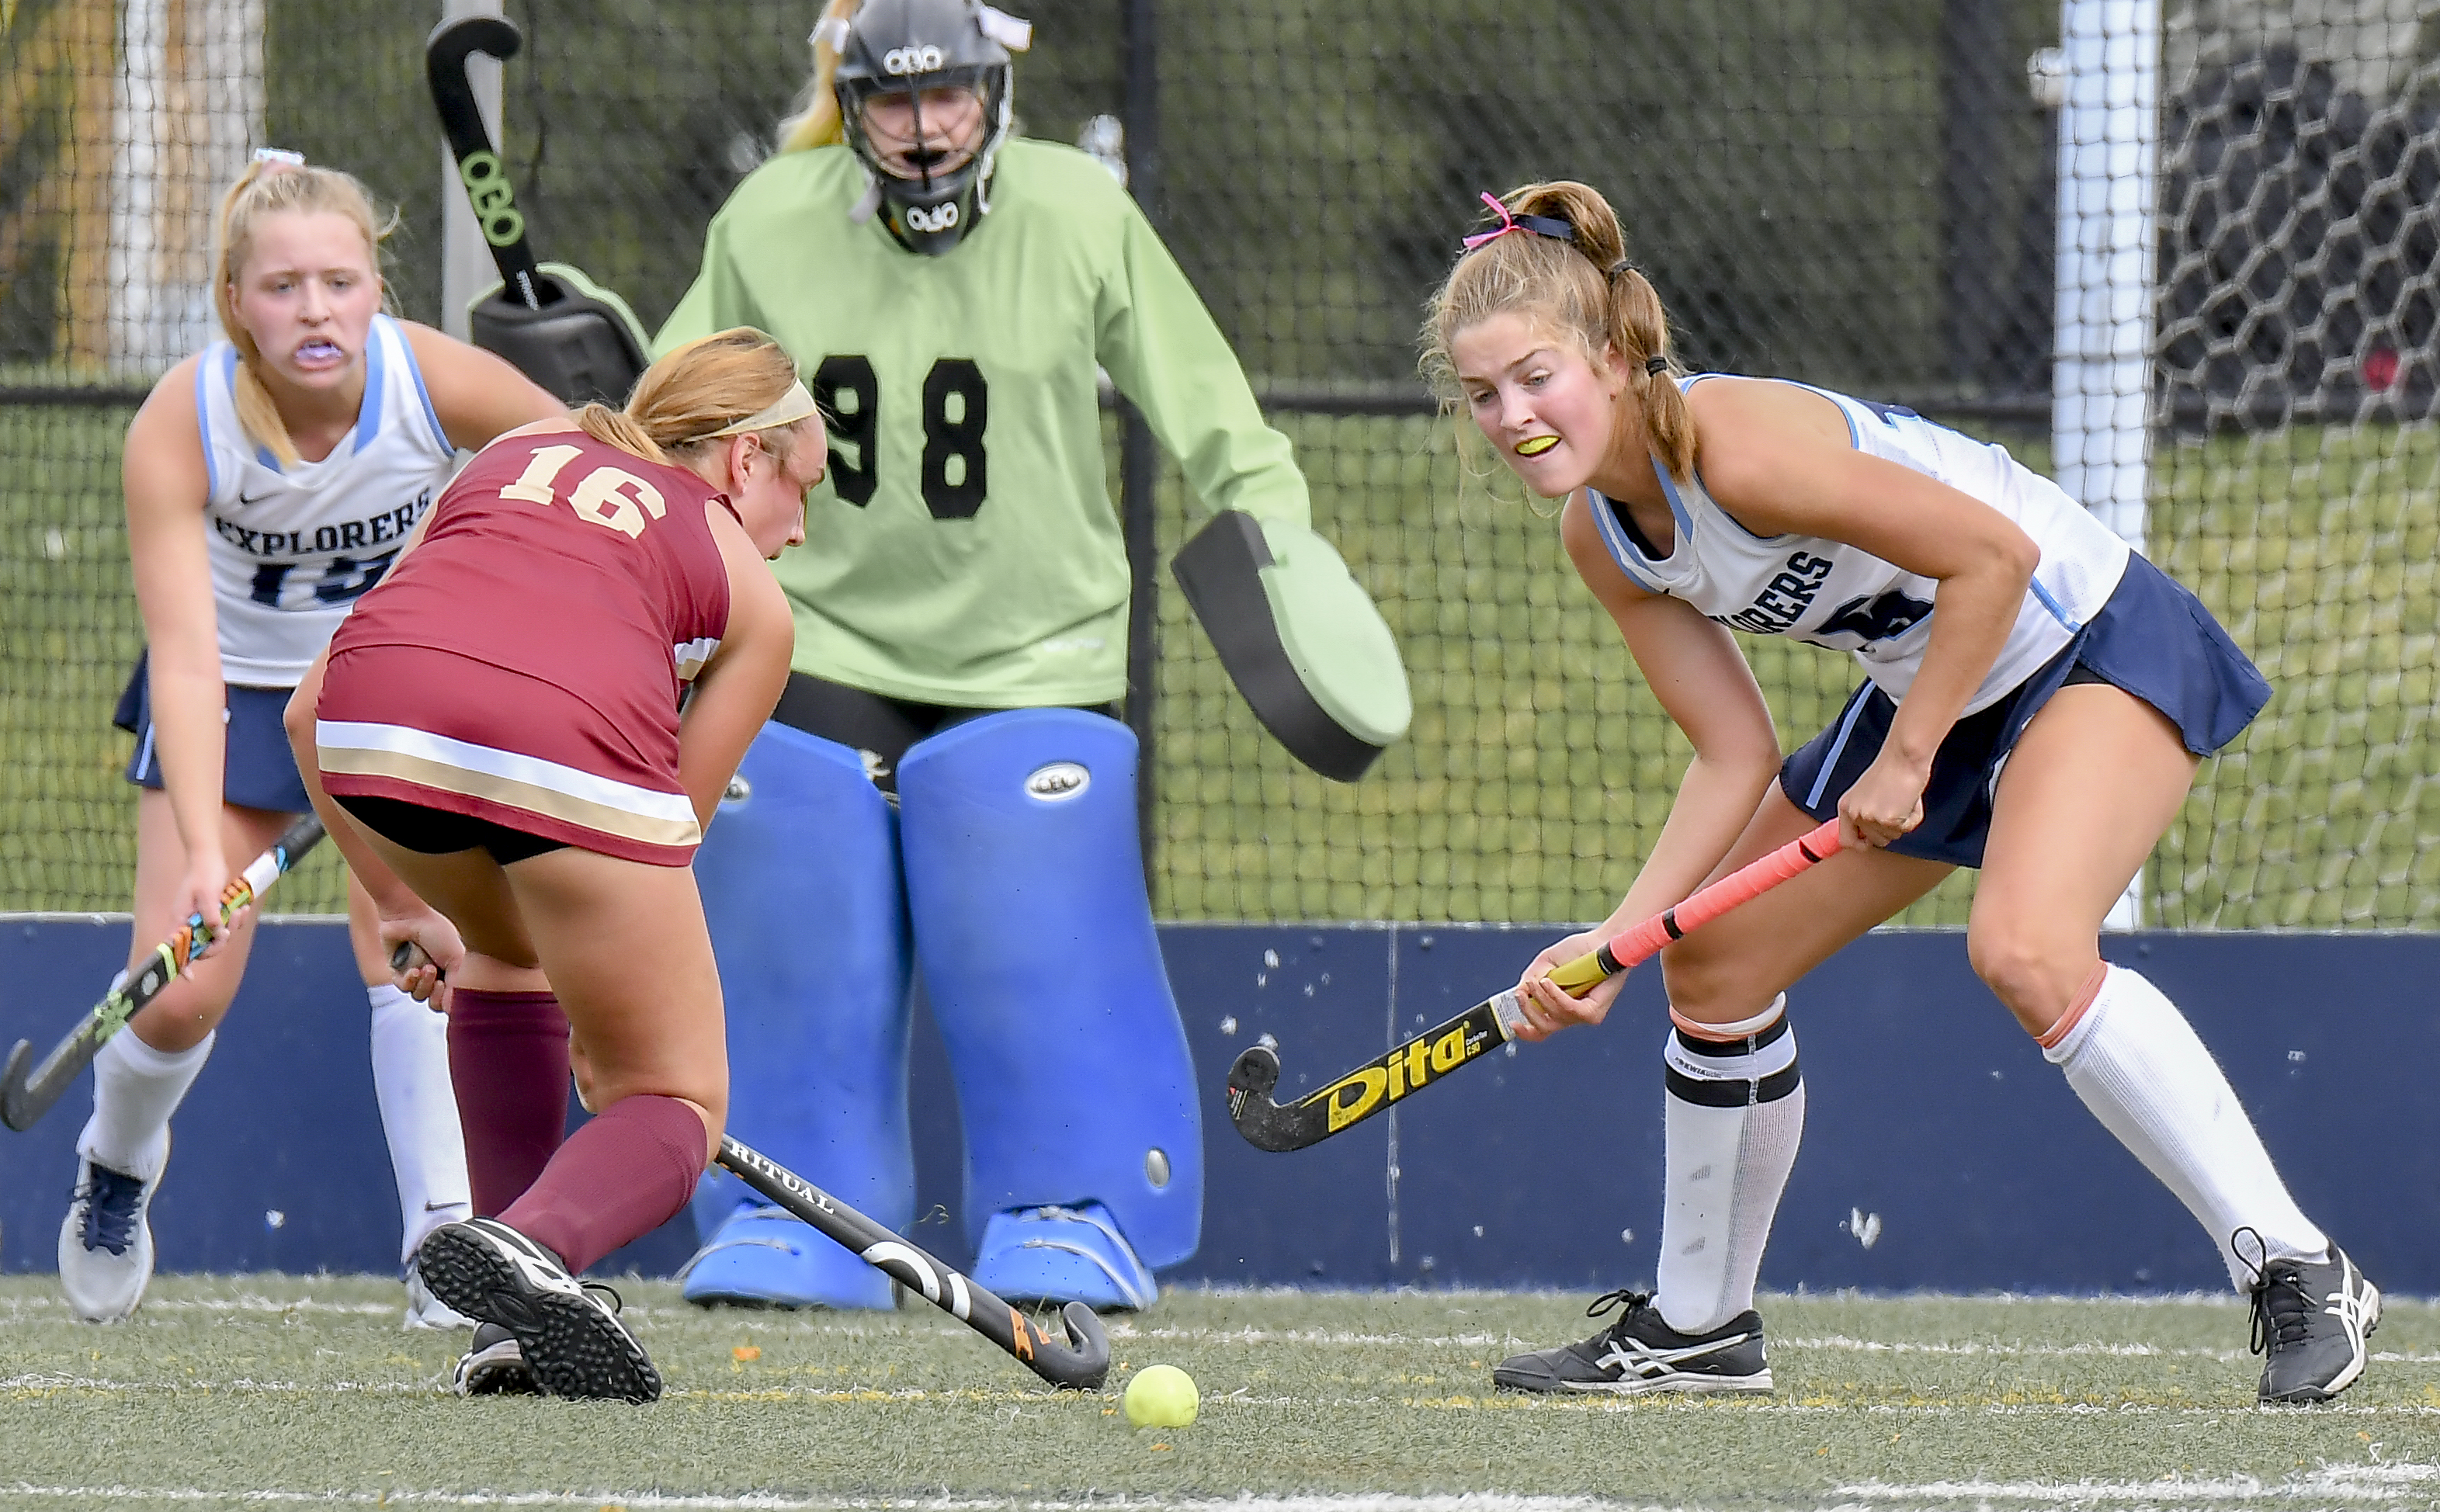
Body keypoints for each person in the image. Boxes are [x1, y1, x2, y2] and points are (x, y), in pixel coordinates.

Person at [1427, 182, 2377, 1406]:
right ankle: (1700, 1330)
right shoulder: (1603, 539)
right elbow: (1733, 752)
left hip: (2081, 638)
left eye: (1535, 377)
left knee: (2028, 950)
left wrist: (1913, 758)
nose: (1513, 418)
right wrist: (1614, 943)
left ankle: (2296, 1265)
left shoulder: (1738, 449)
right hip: (1928, 682)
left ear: (1613, 358)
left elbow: (1998, 557)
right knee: (1711, 968)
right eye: (1483, 395)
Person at [651, 0, 1376, 1313]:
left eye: (951, 102)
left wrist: (1278, 532)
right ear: (851, 99)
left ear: (995, 94)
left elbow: (1204, 399)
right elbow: (678, 406)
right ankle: (790, 1204)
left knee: (1035, 915)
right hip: (821, 630)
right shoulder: (766, 218)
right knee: (789, 891)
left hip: (1039, 642)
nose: (926, 134)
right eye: (894, 104)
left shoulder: (1079, 212)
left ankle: (1074, 1199)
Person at [64, 150, 565, 1327]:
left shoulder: (430, 380)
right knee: (183, 995)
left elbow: (573, 464)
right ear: (235, 298)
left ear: (377, 289)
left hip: (397, 696)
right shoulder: (179, 426)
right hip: (236, 700)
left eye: (340, 282)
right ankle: (117, 1168)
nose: (316, 311)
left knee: (429, 946)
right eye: (284, 287)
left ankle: (450, 1243)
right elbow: (185, 658)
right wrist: (201, 850)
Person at [280, 327, 817, 1403]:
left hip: (370, 732)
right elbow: (667, 830)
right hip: (563, 759)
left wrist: (399, 903)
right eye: (802, 489)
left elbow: (305, 712)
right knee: (673, 1093)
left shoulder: (516, 449)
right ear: (744, 461)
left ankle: (504, 1327)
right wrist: (619, 1037)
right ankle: (536, 1246)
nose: (797, 532)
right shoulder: (751, 598)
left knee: (506, 950)